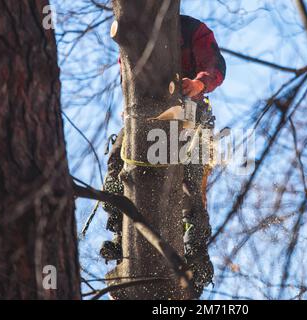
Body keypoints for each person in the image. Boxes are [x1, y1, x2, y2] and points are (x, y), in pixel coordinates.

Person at [100, 15, 226, 296]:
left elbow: (215, 66)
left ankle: (195, 254)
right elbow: (127, 75)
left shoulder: (193, 29)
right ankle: (120, 234)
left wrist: (198, 84)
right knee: (117, 164)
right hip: (142, 117)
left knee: (190, 183)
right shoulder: (134, 35)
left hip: (192, 114)